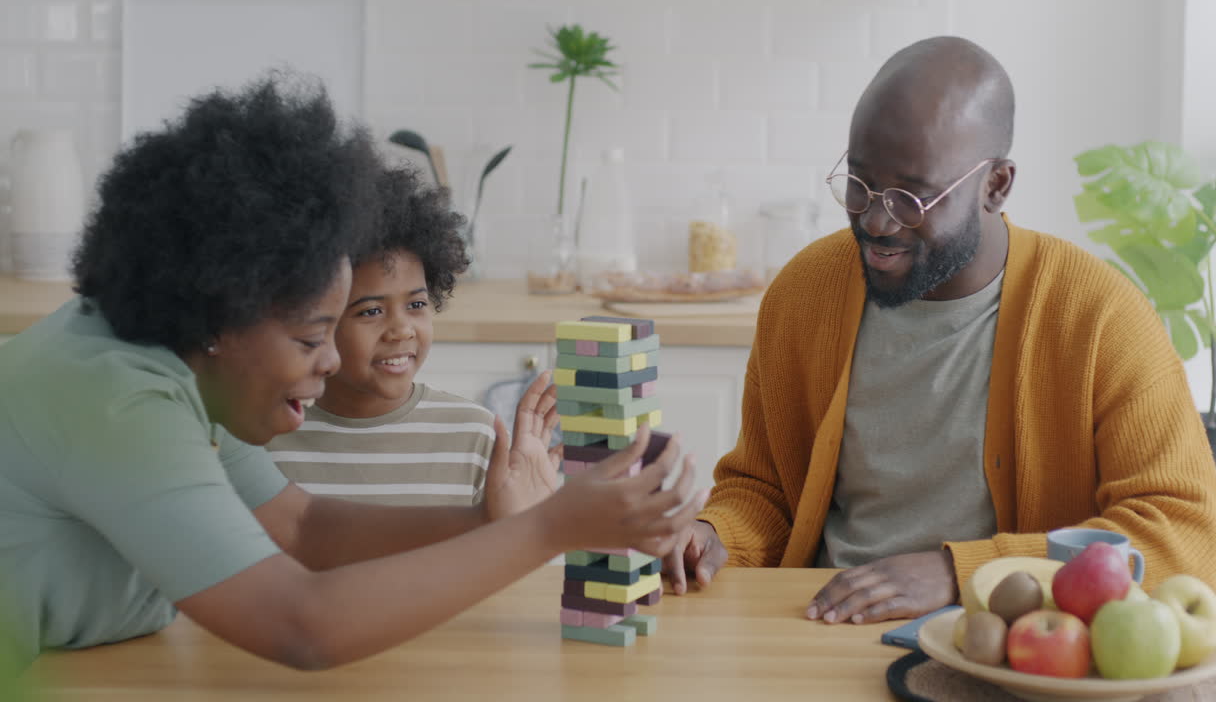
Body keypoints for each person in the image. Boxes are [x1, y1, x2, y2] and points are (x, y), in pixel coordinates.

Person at [0, 75, 705, 672]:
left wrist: (494, 519)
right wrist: (550, 529)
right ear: (219, 316)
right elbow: (300, 623)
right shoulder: (118, 398)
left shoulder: (172, 359)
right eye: (313, 336)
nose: (332, 359)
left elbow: (304, 527)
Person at [662, 36, 1216, 624]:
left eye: (913, 198)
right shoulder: (806, 294)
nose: (877, 221)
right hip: (818, 624)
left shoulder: (1099, 317)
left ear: (997, 185)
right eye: (859, 186)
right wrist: (714, 530)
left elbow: (1185, 539)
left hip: (1001, 646)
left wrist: (964, 572)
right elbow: (767, 488)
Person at [267, 166, 514, 507]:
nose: (401, 329)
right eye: (371, 311)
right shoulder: (267, 442)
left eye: (416, 304)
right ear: (315, 319)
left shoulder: (475, 436)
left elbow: (496, 554)